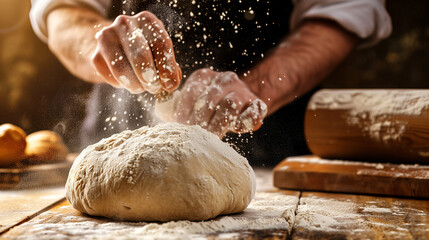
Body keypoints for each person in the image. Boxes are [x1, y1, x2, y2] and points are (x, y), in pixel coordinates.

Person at [30, 0, 391, 165]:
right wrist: (102, 44)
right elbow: (62, 11)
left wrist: (255, 89)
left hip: (272, 155)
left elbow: (338, 14)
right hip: (115, 148)